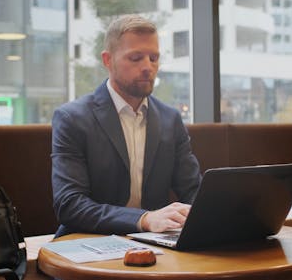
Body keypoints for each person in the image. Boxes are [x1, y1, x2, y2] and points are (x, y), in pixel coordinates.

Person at [51, 15, 201, 238]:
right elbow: (70, 205)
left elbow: (193, 191)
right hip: (89, 239)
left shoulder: (171, 119)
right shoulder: (72, 118)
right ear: (107, 60)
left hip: (156, 242)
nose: (148, 67)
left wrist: (213, 214)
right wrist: (143, 219)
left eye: (153, 57)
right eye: (135, 58)